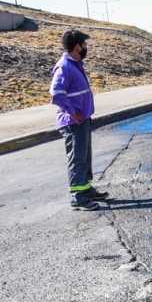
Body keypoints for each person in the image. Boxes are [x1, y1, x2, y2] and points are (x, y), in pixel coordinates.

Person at [50, 29, 108, 211]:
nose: (86, 48)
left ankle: (86, 189)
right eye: (84, 45)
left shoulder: (75, 64)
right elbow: (56, 94)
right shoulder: (64, 67)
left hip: (83, 120)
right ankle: (78, 197)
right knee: (77, 159)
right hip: (73, 122)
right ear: (76, 47)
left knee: (84, 157)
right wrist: (73, 113)